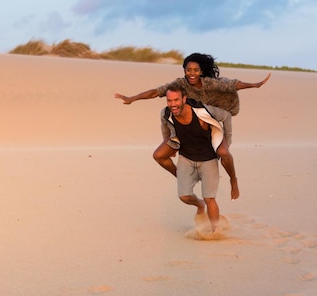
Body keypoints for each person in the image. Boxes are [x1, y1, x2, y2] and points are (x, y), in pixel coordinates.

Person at [115, 53, 270, 200]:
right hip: (186, 126)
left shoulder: (210, 83)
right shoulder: (180, 84)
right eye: (188, 70)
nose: (192, 73)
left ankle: (233, 180)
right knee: (159, 155)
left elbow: (232, 85)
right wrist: (132, 98)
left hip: (209, 124)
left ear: (201, 71)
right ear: (184, 70)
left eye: (196, 70)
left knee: (223, 152)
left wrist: (254, 85)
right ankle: (183, 178)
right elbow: (157, 92)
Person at [162, 81, 224, 233]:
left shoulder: (201, 112)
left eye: (176, 100)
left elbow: (225, 117)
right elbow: (166, 131)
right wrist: (171, 145)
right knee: (184, 196)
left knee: (210, 198)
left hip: (208, 159)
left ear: (184, 99)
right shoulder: (166, 113)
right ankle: (199, 205)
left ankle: (215, 230)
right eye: (169, 100)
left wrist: (225, 143)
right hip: (186, 157)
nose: (172, 103)